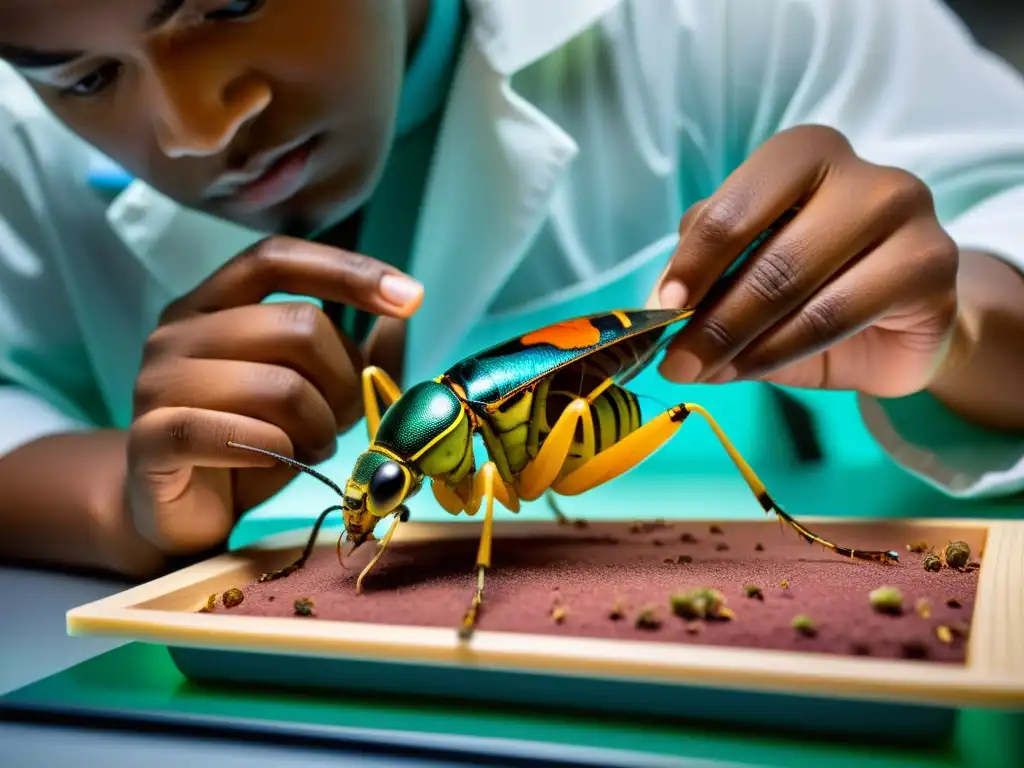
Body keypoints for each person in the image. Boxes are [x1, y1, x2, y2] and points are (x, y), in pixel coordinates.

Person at [1, 0, 1023, 581]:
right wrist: (118, 503)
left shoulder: (726, 20)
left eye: (229, 0)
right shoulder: (18, 147)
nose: (195, 128)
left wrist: (963, 325)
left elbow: (1000, 210)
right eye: (81, 78)